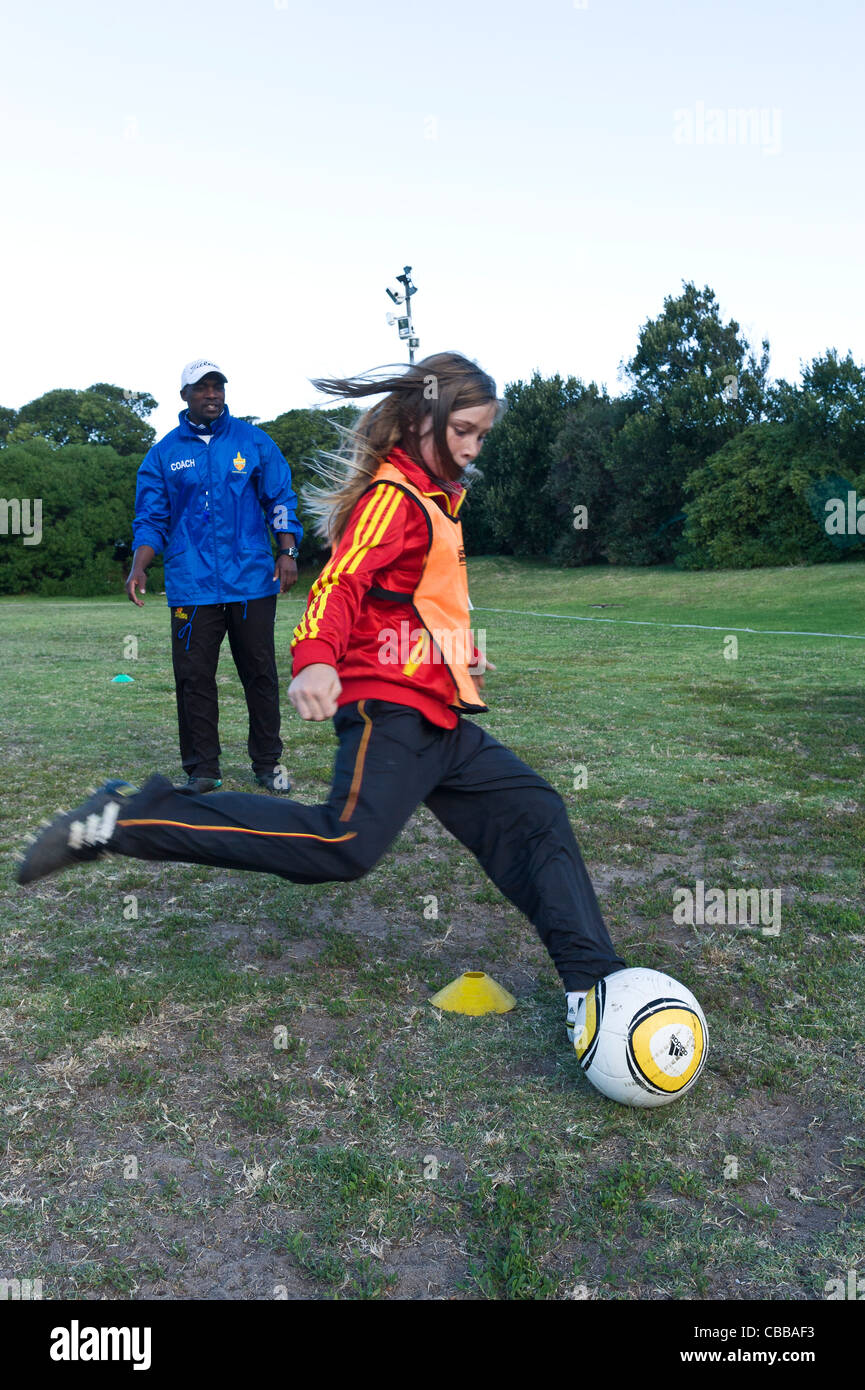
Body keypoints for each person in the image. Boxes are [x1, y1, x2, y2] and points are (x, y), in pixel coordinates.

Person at [17, 352, 625, 1041]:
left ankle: (592, 983)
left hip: (437, 713)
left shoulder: (433, 499)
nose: (471, 447)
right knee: (342, 843)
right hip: (390, 707)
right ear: (421, 420)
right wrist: (312, 659)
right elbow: (339, 585)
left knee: (534, 809)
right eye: (461, 429)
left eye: (480, 435)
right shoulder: (393, 497)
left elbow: (408, 605)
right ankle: (127, 820)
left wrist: (454, 651)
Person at [124, 359, 303, 794]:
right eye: (201, 388)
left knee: (260, 674)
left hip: (252, 581)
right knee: (193, 677)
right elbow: (151, 518)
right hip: (191, 584)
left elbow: (279, 499)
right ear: (183, 395)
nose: (211, 394)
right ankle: (203, 770)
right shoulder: (163, 454)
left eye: (217, 386)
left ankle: (267, 763)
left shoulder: (254, 442)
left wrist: (288, 551)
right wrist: (139, 564)